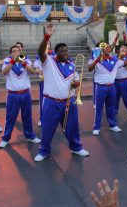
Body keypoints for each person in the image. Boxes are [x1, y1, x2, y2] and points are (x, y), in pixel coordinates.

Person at [34, 23, 89, 162]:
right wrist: (47, 36)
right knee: (47, 129)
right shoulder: (49, 62)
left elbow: (76, 82)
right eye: (62, 51)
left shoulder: (71, 65)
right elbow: (41, 52)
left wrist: (76, 87)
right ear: (56, 52)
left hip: (69, 103)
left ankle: (76, 147)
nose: (65, 53)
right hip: (51, 102)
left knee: (72, 127)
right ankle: (44, 151)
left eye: (67, 51)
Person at [88, 42, 127, 136]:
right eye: (107, 47)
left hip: (111, 87)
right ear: (102, 49)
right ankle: (96, 127)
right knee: (99, 108)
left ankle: (112, 125)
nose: (109, 49)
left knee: (111, 107)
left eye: (110, 48)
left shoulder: (115, 59)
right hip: (100, 87)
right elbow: (89, 68)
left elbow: (125, 64)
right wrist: (97, 59)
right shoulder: (96, 59)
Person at [0, 45, 41, 148]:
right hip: (13, 95)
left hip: (26, 93)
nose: (16, 52)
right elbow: (4, 72)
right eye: (14, 51)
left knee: (27, 116)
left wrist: (22, 62)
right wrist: (13, 61)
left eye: (18, 51)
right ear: (11, 53)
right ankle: (5, 138)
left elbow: (33, 71)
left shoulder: (26, 61)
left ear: (21, 52)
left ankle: (30, 136)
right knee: (10, 117)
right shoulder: (6, 62)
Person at [33, 42, 54, 127]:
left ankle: (53, 118)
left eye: (48, 44)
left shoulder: (55, 55)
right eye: (45, 44)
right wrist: (45, 72)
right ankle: (41, 118)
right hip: (44, 80)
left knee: (55, 99)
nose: (46, 45)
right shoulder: (39, 57)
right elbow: (36, 70)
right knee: (43, 100)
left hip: (54, 81)